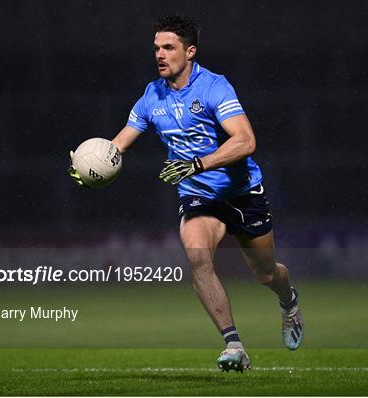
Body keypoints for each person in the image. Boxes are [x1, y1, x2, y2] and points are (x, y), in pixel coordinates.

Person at [69, 15, 304, 372]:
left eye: (168, 47)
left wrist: (198, 164)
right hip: (198, 197)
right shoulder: (152, 96)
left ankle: (288, 302)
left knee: (267, 274)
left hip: (241, 192)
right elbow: (118, 145)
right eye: (156, 48)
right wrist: (93, 169)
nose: (159, 55)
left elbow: (246, 141)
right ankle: (234, 345)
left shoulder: (214, 88)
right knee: (198, 259)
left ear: (190, 51)